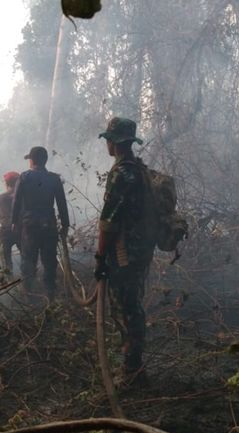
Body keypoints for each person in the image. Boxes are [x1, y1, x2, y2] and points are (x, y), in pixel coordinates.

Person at [94, 117, 156, 384]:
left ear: (115, 143)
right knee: (132, 304)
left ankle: (132, 369)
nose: (106, 144)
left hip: (124, 253)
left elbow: (109, 221)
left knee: (126, 307)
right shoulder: (138, 168)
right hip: (138, 250)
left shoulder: (122, 173)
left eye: (108, 139)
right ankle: (134, 365)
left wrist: (100, 256)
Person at [11, 146, 69, 299]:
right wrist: (65, 225)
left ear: (32, 160)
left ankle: (28, 296)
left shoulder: (23, 177)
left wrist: (14, 222)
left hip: (30, 227)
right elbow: (62, 203)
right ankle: (50, 295)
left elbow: (16, 202)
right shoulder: (54, 178)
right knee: (50, 262)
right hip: (49, 226)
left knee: (28, 262)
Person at [0, 171, 20, 272]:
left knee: (5, 263)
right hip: (21, 232)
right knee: (27, 259)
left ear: (6, 183)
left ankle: (10, 284)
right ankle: (28, 282)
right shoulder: (22, 197)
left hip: (5, 233)